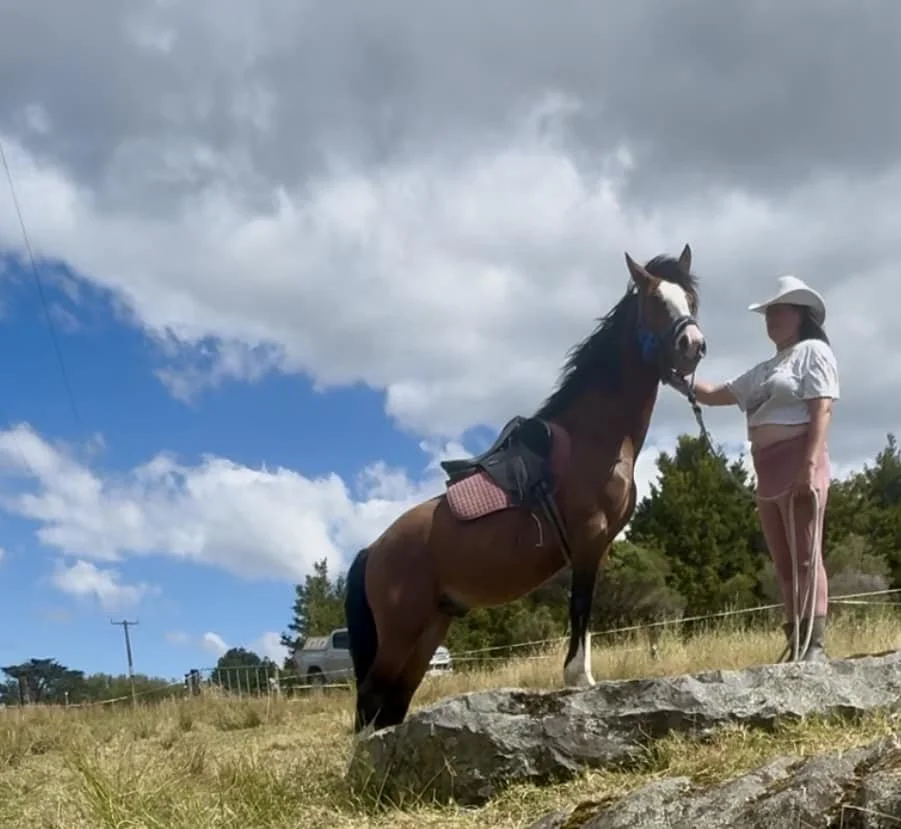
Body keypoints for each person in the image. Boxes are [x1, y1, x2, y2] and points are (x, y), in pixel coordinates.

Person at [672, 275, 839, 662]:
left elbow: (822, 408)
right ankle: (797, 640)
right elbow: (716, 395)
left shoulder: (814, 352)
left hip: (799, 459)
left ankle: (814, 644)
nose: (771, 319)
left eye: (778, 311)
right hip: (767, 471)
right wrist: (677, 379)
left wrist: (809, 464)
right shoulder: (765, 369)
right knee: (784, 561)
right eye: (769, 312)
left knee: (805, 555)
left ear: (800, 315)